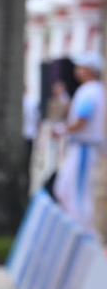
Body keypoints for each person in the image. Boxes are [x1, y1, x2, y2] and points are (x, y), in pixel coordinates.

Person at [53, 52, 105, 232]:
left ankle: (83, 232)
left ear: (89, 70)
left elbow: (82, 120)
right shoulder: (90, 90)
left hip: (84, 148)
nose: (77, 70)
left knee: (78, 194)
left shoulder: (90, 91)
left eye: (81, 67)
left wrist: (63, 130)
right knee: (65, 189)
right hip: (80, 147)